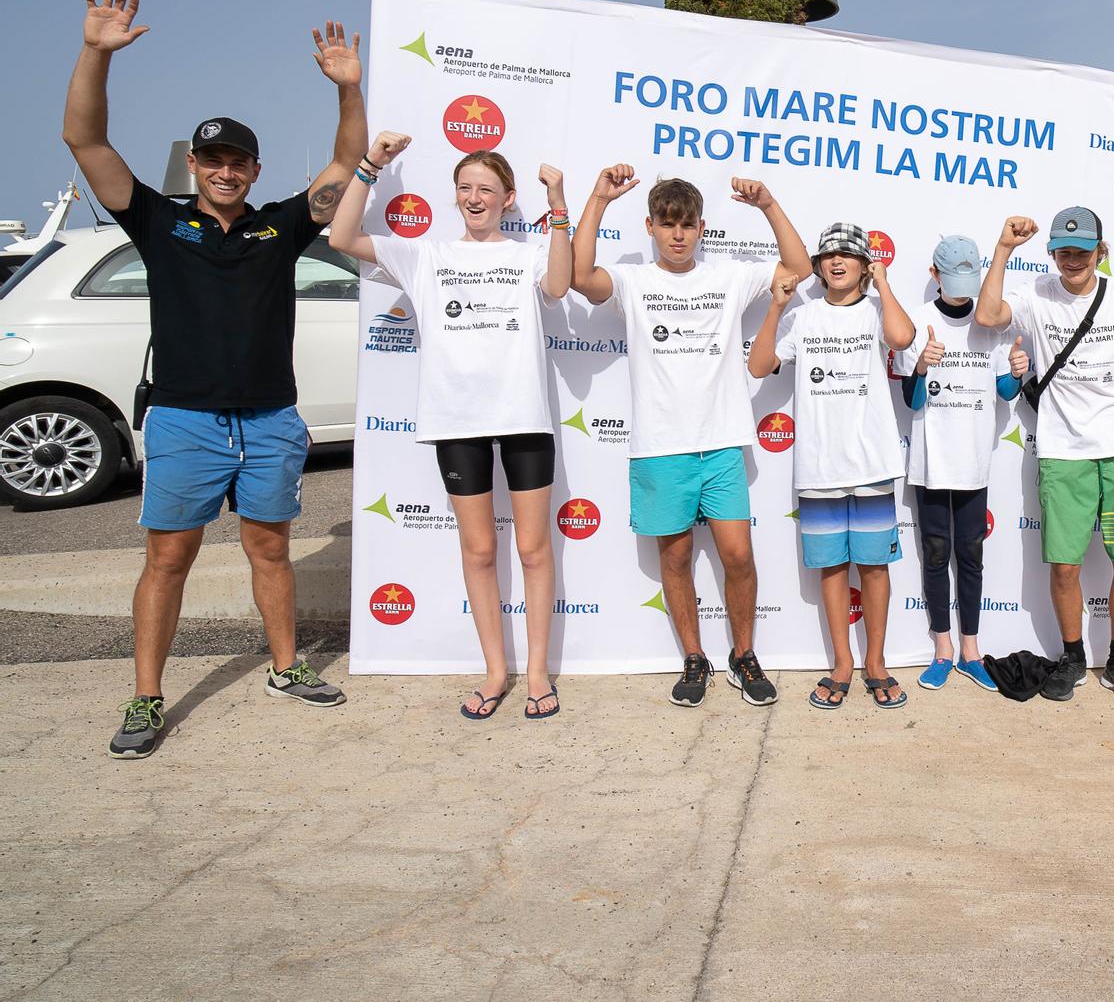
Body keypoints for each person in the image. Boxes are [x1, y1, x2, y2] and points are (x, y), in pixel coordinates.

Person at [65, 0, 367, 760]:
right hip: (185, 418)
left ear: (254, 167)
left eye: (238, 160)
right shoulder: (159, 220)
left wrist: (348, 87)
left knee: (270, 548)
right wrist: (97, 53)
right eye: (213, 159)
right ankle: (145, 697)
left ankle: (285, 667)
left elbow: (343, 163)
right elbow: (85, 142)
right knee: (169, 557)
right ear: (194, 163)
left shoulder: (280, 224)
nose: (225, 170)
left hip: (269, 418)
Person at [330, 133, 573, 721]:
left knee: (536, 550)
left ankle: (537, 672)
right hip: (456, 419)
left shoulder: (528, 253)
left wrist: (559, 202)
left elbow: (561, 285)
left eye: (486, 188)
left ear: (509, 198)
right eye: (464, 187)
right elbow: (340, 237)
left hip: (523, 421)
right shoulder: (426, 256)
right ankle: (495, 671)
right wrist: (369, 167)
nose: (473, 197)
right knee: (480, 548)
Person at [570, 169, 810, 708]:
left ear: (702, 228)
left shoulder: (728, 277)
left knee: (738, 556)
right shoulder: (633, 281)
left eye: (687, 226)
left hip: (722, 444)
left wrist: (768, 202)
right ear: (650, 226)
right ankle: (694, 658)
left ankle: (743, 656)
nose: (677, 235)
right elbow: (579, 274)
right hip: (659, 448)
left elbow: (797, 269)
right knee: (675, 559)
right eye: (667, 225)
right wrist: (597, 199)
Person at [975, 206, 1114, 708]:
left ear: (1101, 252)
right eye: (1063, 250)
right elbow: (988, 315)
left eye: (1082, 250)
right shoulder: (1037, 293)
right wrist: (1003, 248)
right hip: (1062, 453)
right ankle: (1074, 656)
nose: (1072, 259)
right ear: (1052, 252)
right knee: (1063, 567)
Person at [749, 224, 917, 709]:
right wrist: (778, 305)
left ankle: (877, 663)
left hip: (871, 464)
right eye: (828, 256)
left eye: (849, 255)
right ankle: (843, 664)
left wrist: (883, 285)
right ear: (819, 266)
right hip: (819, 468)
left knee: (875, 566)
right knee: (832, 568)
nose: (836, 262)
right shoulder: (802, 318)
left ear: (865, 264)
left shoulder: (874, 311)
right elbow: (759, 366)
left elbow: (902, 338)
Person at [898, 236, 1032, 692]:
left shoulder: (990, 322)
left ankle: (971, 651)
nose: (962, 289)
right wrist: (921, 368)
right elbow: (912, 400)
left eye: (969, 280)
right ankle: (943, 649)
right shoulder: (915, 322)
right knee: (936, 554)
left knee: (970, 556)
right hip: (933, 461)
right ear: (934, 276)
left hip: (975, 460)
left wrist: (1015, 371)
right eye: (952, 279)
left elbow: (1007, 394)